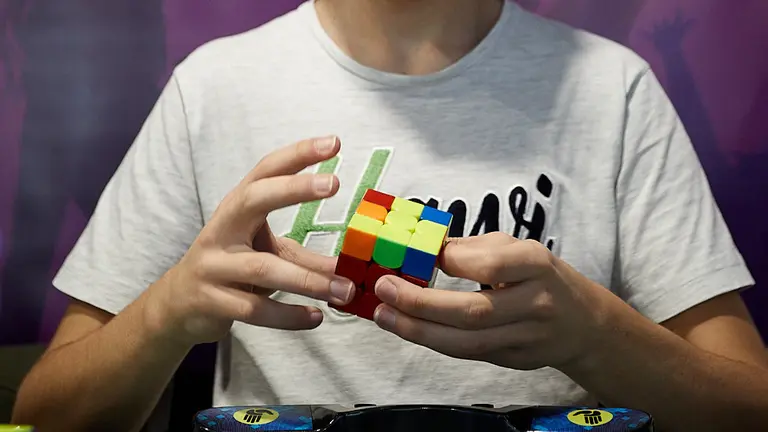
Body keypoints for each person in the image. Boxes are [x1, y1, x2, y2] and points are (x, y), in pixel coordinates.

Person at [12, 0, 768, 431]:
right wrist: (167, 313)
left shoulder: (614, 89)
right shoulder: (216, 85)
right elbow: (47, 415)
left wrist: (598, 336)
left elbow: (748, 405)